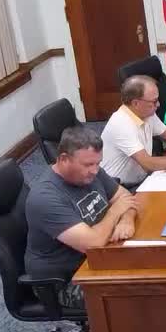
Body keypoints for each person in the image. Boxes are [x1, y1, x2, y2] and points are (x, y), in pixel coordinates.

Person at [26, 126, 139, 308]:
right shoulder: (45, 198)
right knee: (141, 289)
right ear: (64, 159)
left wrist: (127, 220)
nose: (95, 170)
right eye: (88, 165)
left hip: (96, 258)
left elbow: (125, 197)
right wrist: (115, 212)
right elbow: (92, 244)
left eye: (98, 163)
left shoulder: (91, 172)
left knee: (155, 267)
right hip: (66, 281)